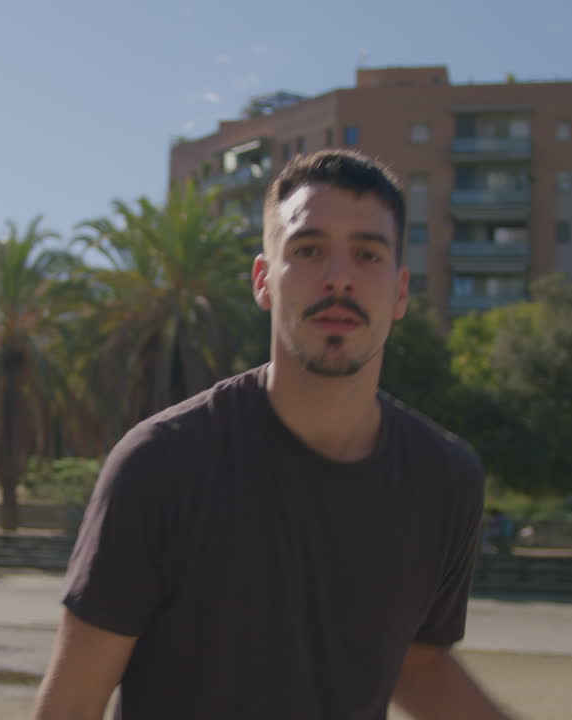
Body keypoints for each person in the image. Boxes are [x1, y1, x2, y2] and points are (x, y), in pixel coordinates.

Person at [33, 150, 515, 719]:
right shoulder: (161, 465)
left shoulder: (445, 479)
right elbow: (71, 704)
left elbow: (420, 664)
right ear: (264, 281)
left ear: (401, 292)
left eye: (367, 254)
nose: (339, 276)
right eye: (308, 250)